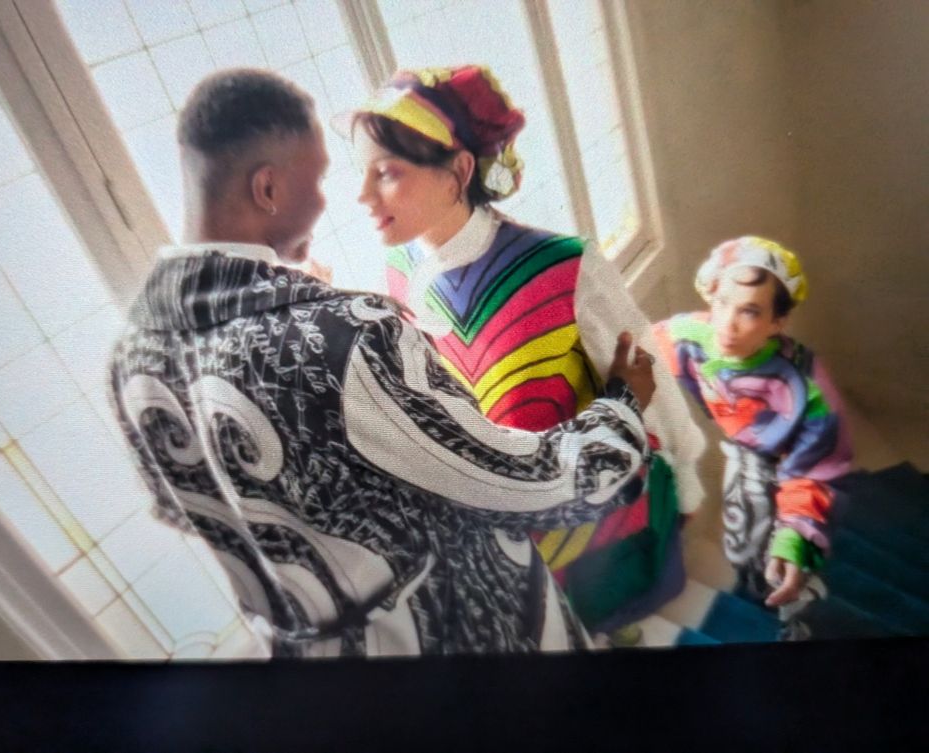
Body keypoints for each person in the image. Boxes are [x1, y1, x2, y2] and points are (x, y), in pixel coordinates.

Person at [108, 68, 657, 658]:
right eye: (319, 179)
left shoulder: (131, 360)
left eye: (384, 172)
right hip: (466, 634)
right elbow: (538, 484)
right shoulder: (344, 335)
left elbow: (191, 508)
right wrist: (621, 403)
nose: (344, 199)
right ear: (267, 189)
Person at [343, 65, 705, 635]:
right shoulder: (400, 268)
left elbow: (646, 372)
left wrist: (686, 473)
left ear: (458, 171)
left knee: (612, 615)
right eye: (362, 173)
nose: (361, 195)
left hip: (595, 504)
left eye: (386, 173)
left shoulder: (565, 267)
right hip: (512, 517)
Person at [653, 236, 853, 638]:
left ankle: (797, 608)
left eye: (749, 311)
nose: (727, 323)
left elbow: (814, 471)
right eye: (722, 302)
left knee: (787, 549)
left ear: (778, 323)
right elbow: (641, 343)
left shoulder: (808, 391)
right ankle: (756, 583)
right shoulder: (688, 336)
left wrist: (795, 537)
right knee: (742, 542)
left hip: (792, 466)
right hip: (742, 452)